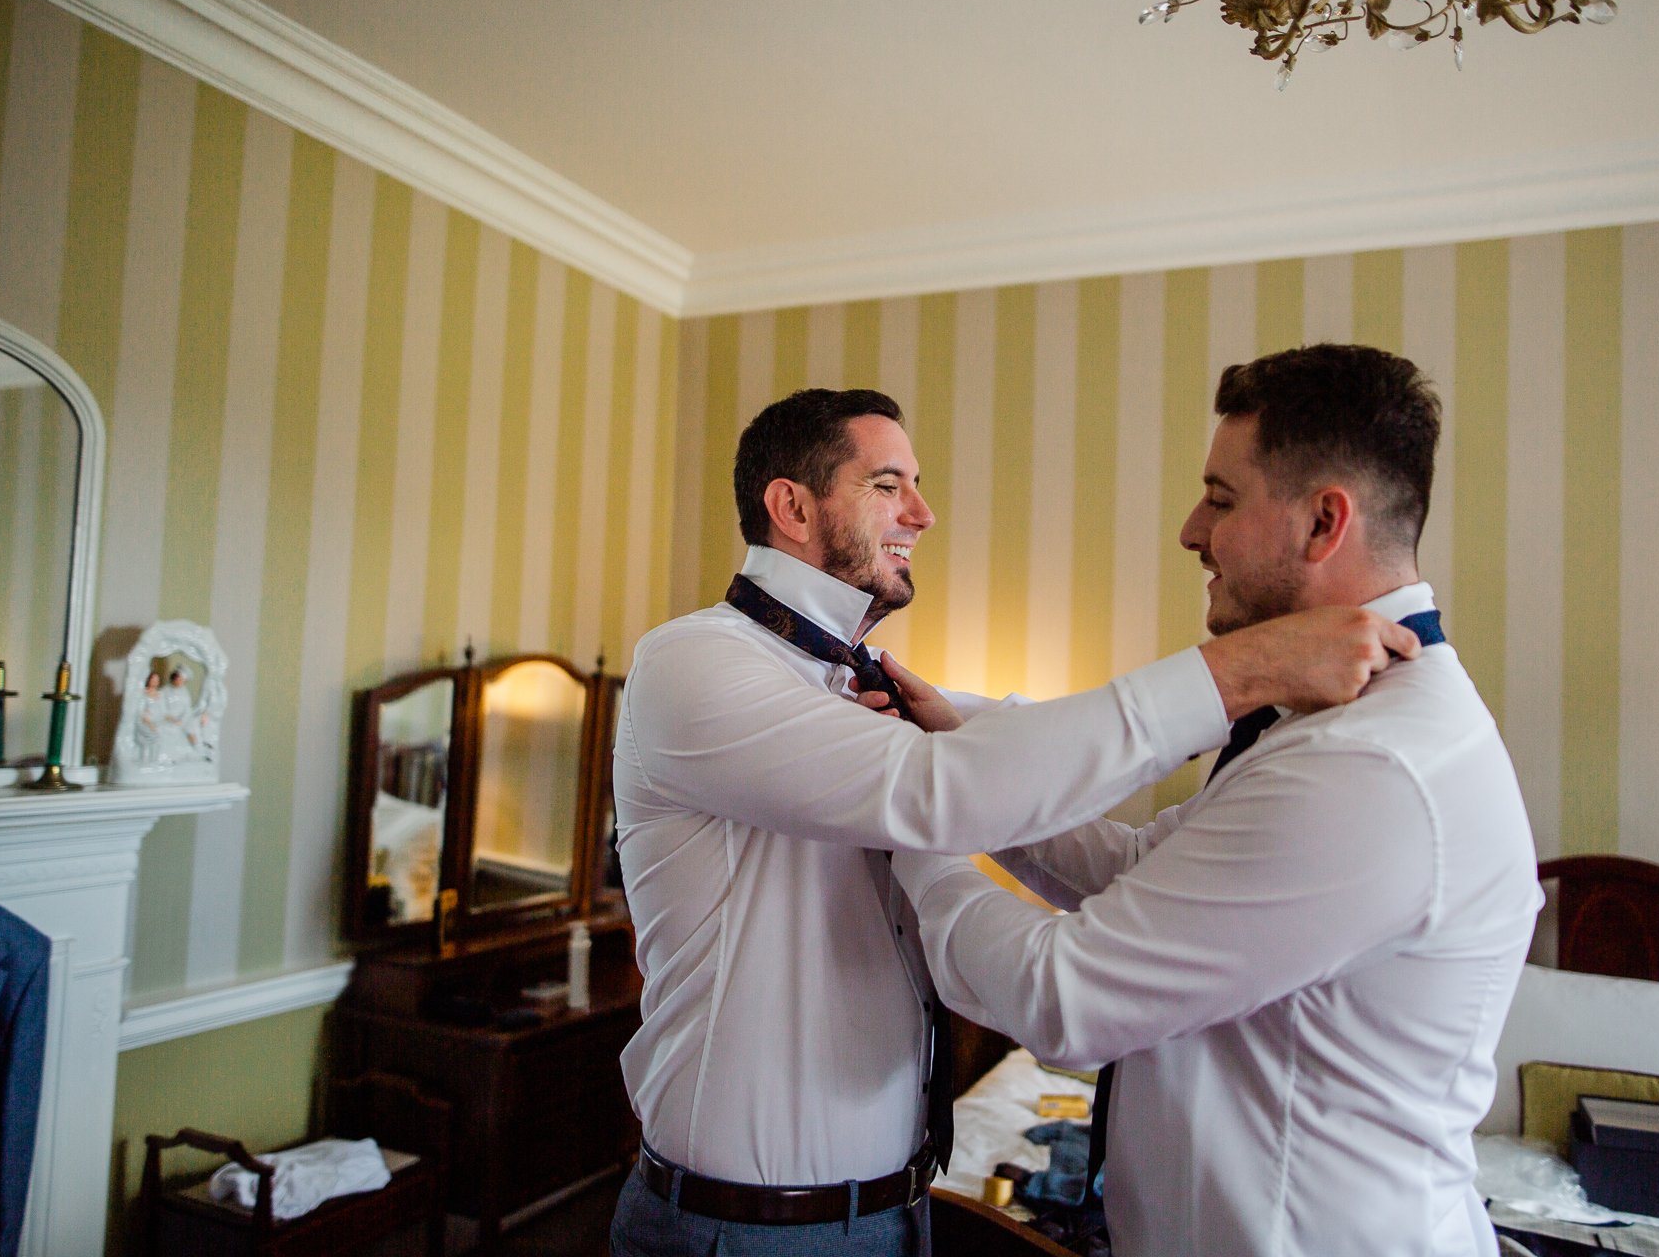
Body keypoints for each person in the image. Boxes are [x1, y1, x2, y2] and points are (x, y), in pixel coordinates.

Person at [607, 386, 1422, 1257]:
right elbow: (940, 794)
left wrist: (968, 725)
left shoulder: (862, 691)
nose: (923, 512)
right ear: (792, 506)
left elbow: (993, 779)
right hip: (741, 1230)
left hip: (898, 1211)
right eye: (889, 485)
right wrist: (1231, 675)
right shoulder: (693, 663)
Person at [888, 344, 1542, 1257]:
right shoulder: (1341, 720)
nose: (1193, 530)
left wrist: (921, 829)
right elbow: (1140, 872)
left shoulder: (1371, 768)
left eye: (1221, 499)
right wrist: (961, 740)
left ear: (1324, 523)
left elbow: (1066, 999)